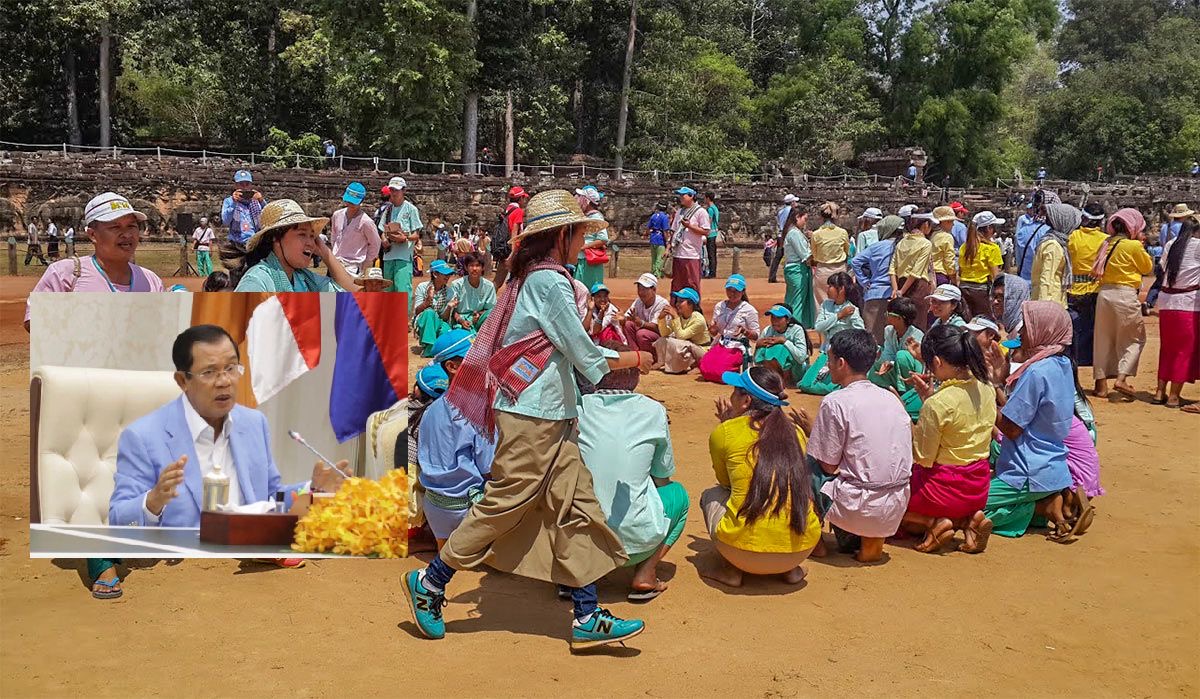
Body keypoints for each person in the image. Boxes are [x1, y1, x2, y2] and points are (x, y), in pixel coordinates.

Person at [402, 189, 653, 651]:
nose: (585, 242)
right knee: (504, 502)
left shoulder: (536, 279)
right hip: (533, 415)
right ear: (562, 234)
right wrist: (634, 356)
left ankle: (586, 612)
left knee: (576, 504)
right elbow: (581, 350)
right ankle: (431, 582)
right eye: (580, 233)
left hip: (548, 414)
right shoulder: (549, 282)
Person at [108, 326, 348, 591]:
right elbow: (118, 521)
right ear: (182, 380)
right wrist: (152, 501)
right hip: (184, 582)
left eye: (231, 368)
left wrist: (312, 491)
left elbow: (269, 497)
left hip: (254, 573)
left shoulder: (254, 423)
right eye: (209, 372)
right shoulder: (143, 436)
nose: (224, 381)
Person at [577, 345, 690, 601]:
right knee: (678, 496)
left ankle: (576, 574)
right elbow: (662, 478)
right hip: (636, 544)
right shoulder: (653, 411)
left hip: (580, 543)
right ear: (637, 377)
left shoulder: (578, 408)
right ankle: (646, 572)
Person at [699, 367, 821, 587]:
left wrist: (727, 424)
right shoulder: (797, 432)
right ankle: (790, 570)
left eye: (735, 391)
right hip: (800, 550)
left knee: (712, 494)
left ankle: (731, 570)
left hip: (742, 553)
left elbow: (725, 482)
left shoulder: (726, 432)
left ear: (746, 401)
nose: (731, 396)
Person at [807, 329, 913, 563]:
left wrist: (811, 434)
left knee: (806, 464)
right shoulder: (890, 398)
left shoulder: (835, 402)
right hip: (895, 505)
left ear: (841, 363)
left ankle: (813, 540)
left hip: (858, 506)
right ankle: (871, 543)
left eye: (830, 359)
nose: (828, 364)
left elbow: (827, 465)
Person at [901, 325, 996, 554]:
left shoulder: (938, 404)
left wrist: (909, 420)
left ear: (937, 361)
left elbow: (923, 458)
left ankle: (934, 523)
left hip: (941, 490)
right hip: (978, 486)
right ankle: (967, 521)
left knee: (888, 505)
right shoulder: (986, 388)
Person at [987, 302, 1077, 542]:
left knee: (965, 507)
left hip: (1026, 470)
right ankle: (1046, 503)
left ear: (1043, 330)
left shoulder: (1036, 372)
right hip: (1052, 467)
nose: (1022, 333)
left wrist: (984, 399)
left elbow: (1012, 428)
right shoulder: (1062, 364)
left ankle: (1040, 507)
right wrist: (999, 382)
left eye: (1027, 327)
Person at [24, 193, 166, 329]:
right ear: (92, 235)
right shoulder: (64, 274)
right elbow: (34, 322)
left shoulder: (151, 281)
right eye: (115, 227)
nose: (127, 234)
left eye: (132, 226)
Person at [417, 355, 497, 550]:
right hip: (465, 511)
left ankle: (445, 547)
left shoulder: (431, 409)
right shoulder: (476, 411)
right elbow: (489, 468)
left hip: (435, 511)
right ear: (452, 367)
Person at [230, 200, 356, 292]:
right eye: (302, 234)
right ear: (276, 237)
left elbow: (352, 296)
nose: (311, 243)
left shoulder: (303, 278)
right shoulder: (257, 282)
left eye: (312, 236)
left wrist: (325, 253)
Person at [1092, 208, 1153, 399]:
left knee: (1102, 340)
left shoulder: (1106, 243)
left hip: (1104, 294)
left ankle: (1101, 386)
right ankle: (1121, 378)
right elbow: (1147, 268)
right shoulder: (1132, 246)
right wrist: (1141, 246)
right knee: (1135, 339)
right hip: (1125, 295)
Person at [1153, 217, 1200, 409]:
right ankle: (1173, 396)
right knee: (1184, 351)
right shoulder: (1198, 246)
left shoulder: (1171, 244)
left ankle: (1159, 392)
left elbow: (1161, 269)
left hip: (1167, 304)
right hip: (1188, 304)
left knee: (1168, 348)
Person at [800, 272, 865, 396]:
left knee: (829, 386)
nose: (827, 289)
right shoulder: (826, 305)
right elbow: (818, 327)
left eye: (831, 286)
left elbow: (860, 331)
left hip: (843, 355)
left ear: (841, 289)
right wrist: (839, 316)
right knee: (805, 384)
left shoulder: (852, 309)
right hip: (826, 352)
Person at [869, 296, 925, 421]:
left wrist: (892, 362)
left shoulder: (916, 335)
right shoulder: (889, 330)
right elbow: (888, 352)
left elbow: (918, 364)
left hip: (913, 376)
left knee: (902, 355)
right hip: (896, 369)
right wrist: (886, 363)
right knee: (875, 366)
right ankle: (888, 390)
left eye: (888, 313)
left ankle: (905, 394)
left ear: (898, 318)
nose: (886, 315)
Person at [851, 215, 905, 343]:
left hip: (874, 294)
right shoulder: (904, 246)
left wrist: (864, 281)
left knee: (872, 336)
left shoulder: (876, 247)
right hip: (898, 294)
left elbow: (855, 261)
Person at [1068, 203, 1108, 369]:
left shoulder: (1073, 236)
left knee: (1075, 326)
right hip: (1095, 287)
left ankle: (1075, 356)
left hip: (1073, 287)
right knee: (1092, 326)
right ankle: (1088, 358)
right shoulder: (1105, 240)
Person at [698, 274, 759, 382]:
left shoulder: (749, 310)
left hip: (737, 346)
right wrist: (713, 329)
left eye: (736, 291)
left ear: (743, 291)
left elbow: (756, 336)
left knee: (720, 370)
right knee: (704, 366)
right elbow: (713, 332)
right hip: (721, 344)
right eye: (729, 290)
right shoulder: (719, 306)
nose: (732, 294)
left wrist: (745, 332)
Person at [378, 177, 422, 306]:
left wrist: (405, 238)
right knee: (387, 289)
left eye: (396, 190)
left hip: (403, 256)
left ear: (404, 191)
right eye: (392, 190)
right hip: (389, 255)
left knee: (402, 289)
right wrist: (385, 240)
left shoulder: (411, 209)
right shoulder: (388, 210)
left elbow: (416, 234)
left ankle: (403, 320)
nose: (394, 193)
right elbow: (382, 231)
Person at [890, 211, 937, 330]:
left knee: (902, 325)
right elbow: (916, 271)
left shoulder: (901, 242)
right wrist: (902, 291)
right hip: (918, 288)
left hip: (900, 283)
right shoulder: (926, 244)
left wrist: (897, 290)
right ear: (926, 225)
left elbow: (892, 268)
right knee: (918, 325)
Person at [652, 287, 712, 374]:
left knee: (676, 343)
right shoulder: (680, 316)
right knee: (662, 340)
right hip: (689, 347)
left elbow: (681, 336)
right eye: (677, 301)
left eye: (681, 301)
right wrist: (661, 319)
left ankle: (698, 365)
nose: (677, 304)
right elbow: (664, 334)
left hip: (702, 351)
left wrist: (675, 317)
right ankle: (661, 361)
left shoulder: (698, 318)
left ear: (690, 304)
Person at [1031, 203, 1080, 308]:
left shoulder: (1054, 241)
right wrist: (1044, 308)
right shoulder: (1053, 245)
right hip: (1051, 303)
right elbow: (1047, 279)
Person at [958, 211, 1005, 319]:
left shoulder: (965, 247)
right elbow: (995, 276)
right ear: (989, 228)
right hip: (981, 290)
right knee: (985, 322)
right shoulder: (992, 248)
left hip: (964, 288)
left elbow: (960, 271)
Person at [329, 182, 382, 276]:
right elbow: (334, 236)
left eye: (353, 202)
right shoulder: (337, 215)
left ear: (361, 201)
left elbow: (375, 244)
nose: (350, 204)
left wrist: (366, 262)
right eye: (348, 201)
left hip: (353, 268)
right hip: (335, 264)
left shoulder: (366, 222)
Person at [753, 304, 809, 385]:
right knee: (763, 348)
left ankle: (785, 381)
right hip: (771, 372)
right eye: (772, 317)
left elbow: (801, 358)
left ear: (788, 320)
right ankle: (772, 379)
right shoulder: (767, 330)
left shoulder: (797, 330)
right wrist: (758, 345)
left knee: (780, 348)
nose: (774, 321)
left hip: (796, 372)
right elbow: (757, 360)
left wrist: (785, 341)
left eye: (778, 318)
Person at [670, 187, 710, 298]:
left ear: (691, 196)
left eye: (683, 195)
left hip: (692, 255)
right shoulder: (680, 212)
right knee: (677, 284)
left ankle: (694, 308)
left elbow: (706, 231)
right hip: (678, 253)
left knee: (692, 284)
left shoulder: (701, 212)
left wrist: (690, 226)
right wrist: (669, 246)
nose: (681, 198)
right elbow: (673, 230)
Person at [412, 260, 457, 356]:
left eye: (449, 274)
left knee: (446, 335)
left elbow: (444, 318)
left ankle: (433, 345)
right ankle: (430, 347)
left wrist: (449, 307)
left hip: (439, 321)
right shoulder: (422, 287)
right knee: (429, 313)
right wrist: (427, 301)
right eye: (445, 274)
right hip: (423, 320)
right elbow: (417, 311)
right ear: (435, 274)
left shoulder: (450, 292)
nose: (448, 277)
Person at [781, 206, 816, 327]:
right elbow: (805, 255)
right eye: (804, 219)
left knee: (794, 299)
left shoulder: (794, 232)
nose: (805, 222)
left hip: (796, 269)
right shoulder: (794, 233)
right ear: (797, 217)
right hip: (797, 269)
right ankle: (794, 326)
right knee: (797, 300)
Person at [810, 202, 850, 306]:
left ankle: (822, 322)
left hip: (822, 270)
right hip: (840, 270)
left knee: (820, 302)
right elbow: (847, 251)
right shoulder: (842, 232)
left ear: (821, 216)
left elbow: (814, 255)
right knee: (841, 301)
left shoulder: (816, 234)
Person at [446, 253, 497, 332]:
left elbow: (490, 309)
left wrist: (478, 314)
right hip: (460, 319)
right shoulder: (457, 285)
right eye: (471, 266)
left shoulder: (489, 286)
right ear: (466, 267)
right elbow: (452, 310)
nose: (474, 269)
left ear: (482, 268)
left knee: (492, 315)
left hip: (479, 319)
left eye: (477, 266)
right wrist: (461, 320)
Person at [622, 273, 669, 358]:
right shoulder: (638, 301)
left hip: (662, 337)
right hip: (645, 334)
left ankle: (652, 357)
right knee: (627, 325)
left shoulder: (662, 303)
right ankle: (635, 355)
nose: (640, 292)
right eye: (639, 289)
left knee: (642, 334)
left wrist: (641, 323)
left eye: (644, 289)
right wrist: (621, 318)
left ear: (654, 289)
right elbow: (628, 316)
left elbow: (658, 328)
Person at [573, 185, 610, 289]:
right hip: (580, 259)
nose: (577, 199)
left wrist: (584, 246)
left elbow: (603, 239)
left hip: (588, 261)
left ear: (587, 201)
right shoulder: (585, 216)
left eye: (580, 197)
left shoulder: (596, 217)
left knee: (588, 290)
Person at [494, 185, 528, 289]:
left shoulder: (508, 210)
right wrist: (513, 254)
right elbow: (514, 232)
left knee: (498, 281)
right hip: (512, 251)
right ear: (520, 198)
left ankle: (486, 300)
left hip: (504, 248)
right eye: (524, 198)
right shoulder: (518, 211)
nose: (525, 201)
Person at [220, 170, 265, 247]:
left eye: (247, 184)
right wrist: (234, 203)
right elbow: (225, 221)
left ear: (251, 185)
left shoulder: (256, 201)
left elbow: (268, 218)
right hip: (237, 242)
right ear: (235, 186)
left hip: (256, 241)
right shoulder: (229, 201)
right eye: (241, 184)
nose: (244, 187)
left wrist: (261, 201)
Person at [769, 194, 798, 283]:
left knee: (778, 256)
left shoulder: (780, 211)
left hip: (780, 234)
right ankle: (790, 276)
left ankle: (772, 276)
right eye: (795, 201)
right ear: (792, 202)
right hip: (788, 234)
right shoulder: (792, 211)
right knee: (791, 255)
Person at [992, 272, 1031, 337]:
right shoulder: (1004, 323)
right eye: (995, 297)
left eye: (1001, 297)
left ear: (1015, 299)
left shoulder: (1023, 329)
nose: (994, 302)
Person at [930, 206, 959, 287]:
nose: (953, 224)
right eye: (951, 221)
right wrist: (954, 279)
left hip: (929, 274)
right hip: (941, 275)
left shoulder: (930, 234)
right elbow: (949, 261)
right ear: (944, 222)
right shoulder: (947, 237)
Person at [647, 203, 671, 277]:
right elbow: (665, 230)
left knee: (654, 258)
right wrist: (667, 241)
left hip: (653, 237)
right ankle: (657, 274)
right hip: (660, 239)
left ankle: (653, 272)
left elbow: (648, 228)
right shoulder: (664, 217)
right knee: (659, 258)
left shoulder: (653, 216)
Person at [704, 191, 720, 278]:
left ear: (708, 198)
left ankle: (712, 273)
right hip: (714, 233)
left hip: (710, 234)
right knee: (713, 254)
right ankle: (713, 271)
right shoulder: (715, 208)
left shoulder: (710, 209)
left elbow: (708, 222)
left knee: (710, 254)